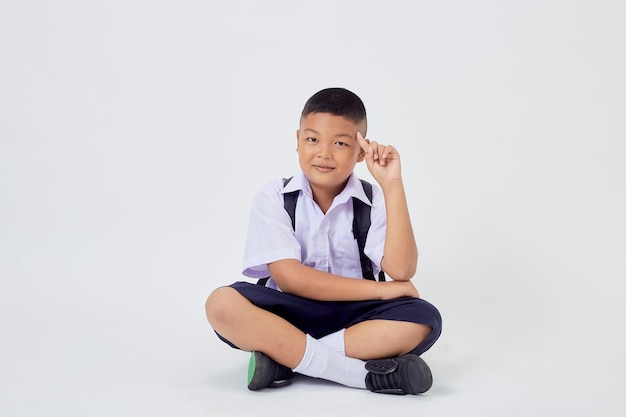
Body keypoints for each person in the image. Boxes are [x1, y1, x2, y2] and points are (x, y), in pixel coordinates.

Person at [205, 87, 442, 395]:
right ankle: (359, 375)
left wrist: (392, 184)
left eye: (340, 143)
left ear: (360, 152)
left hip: (356, 317)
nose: (324, 153)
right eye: (312, 139)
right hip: (288, 313)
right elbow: (290, 279)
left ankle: (283, 358)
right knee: (222, 304)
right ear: (298, 140)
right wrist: (382, 290)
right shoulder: (274, 196)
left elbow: (402, 268)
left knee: (423, 319)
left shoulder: (374, 199)